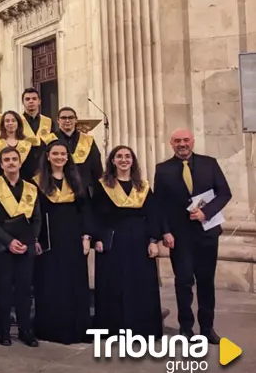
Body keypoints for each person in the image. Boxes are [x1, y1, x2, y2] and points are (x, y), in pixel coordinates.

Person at [155, 129, 231, 342]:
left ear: (192, 142)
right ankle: (186, 328)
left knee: (206, 282)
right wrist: (165, 231)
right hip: (179, 237)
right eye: (177, 140)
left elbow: (224, 192)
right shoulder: (162, 170)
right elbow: (159, 205)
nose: (182, 144)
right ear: (171, 144)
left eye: (186, 140)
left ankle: (207, 329)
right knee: (184, 281)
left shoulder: (210, 163)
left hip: (207, 233)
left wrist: (206, 212)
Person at [92, 146, 163, 337]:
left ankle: (141, 329)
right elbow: (95, 215)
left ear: (133, 161)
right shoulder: (102, 186)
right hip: (112, 238)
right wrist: (96, 238)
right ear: (112, 161)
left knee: (140, 283)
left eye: (127, 157)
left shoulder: (143, 186)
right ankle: (113, 329)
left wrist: (153, 240)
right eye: (119, 156)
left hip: (139, 239)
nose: (123, 160)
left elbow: (153, 214)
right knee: (112, 283)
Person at [32, 141, 92, 344]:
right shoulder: (36, 182)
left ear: (68, 157)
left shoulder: (76, 180)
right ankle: (51, 329)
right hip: (48, 239)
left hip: (73, 238)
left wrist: (86, 237)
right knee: (50, 282)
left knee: (74, 281)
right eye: (55, 153)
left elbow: (85, 211)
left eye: (63, 154)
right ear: (47, 156)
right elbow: (33, 213)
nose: (59, 157)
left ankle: (78, 329)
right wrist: (34, 238)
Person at [0, 147, 41, 347]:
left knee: (25, 290)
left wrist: (28, 241)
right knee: (4, 289)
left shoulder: (31, 188)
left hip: (26, 247)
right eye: (6, 159)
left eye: (14, 159)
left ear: (20, 162)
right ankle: (4, 330)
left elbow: (37, 219)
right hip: (1, 246)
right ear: (1, 164)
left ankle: (26, 331)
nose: (10, 162)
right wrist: (8, 241)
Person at [53, 106, 103, 193]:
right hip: (58, 189)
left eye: (71, 117)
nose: (67, 120)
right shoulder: (50, 139)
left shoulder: (87, 140)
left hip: (84, 188)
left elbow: (96, 165)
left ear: (76, 120)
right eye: (64, 118)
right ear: (58, 120)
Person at [0, 111, 41, 179]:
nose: (10, 123)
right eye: (7, 121)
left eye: (13, 121)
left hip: (25, 181)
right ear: (3, 124)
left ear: (18, 123)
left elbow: (32, 167)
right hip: (2, 184)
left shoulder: (27, 143)